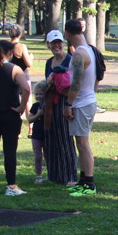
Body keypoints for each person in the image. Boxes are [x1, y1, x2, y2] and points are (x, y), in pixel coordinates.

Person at [0, 41, 30, 195]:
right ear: (10, 52)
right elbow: (26, 89)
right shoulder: (14, 69)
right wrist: (22, 108)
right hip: (9, 114)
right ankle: (11, 185)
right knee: (10, 150)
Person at [63, 19, 98, 196]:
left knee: (83, 145)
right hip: (87, 101)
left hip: (82, 103)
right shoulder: (89, 49)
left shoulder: (78, 55)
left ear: (67, 34)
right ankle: (83, 182)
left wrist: (68, 104)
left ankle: (89, 184)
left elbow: (76, 84)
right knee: (80, 143)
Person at [42, 30, 78, 185]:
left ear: (63, 43)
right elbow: (47, 81)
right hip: (51, 103)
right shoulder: (49, 62)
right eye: (53, 43)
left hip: (65, 102)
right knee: (51, 139)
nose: (56, 46)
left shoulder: (70, 59)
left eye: (59, 42)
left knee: (65, 140)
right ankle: (54, 174)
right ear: (48, 44)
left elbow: (72, 83)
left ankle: (70, 176)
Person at [27, 82, 46, 184]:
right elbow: (30, 119)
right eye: (37, 94)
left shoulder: (49, 105)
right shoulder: (35, 106)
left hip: (47, 135)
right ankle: (38, 176)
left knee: (48, 156)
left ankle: (50, 175)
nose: (39, 96)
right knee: (38, 156)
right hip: (36, 135)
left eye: (41, 94)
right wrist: (38, 114)